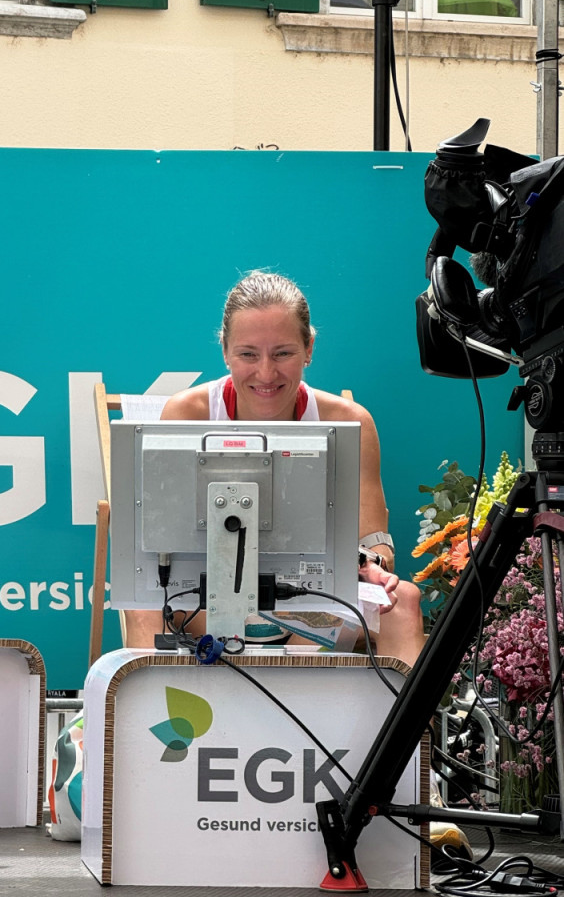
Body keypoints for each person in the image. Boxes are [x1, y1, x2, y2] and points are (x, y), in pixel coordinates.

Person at [123, 270, 427, 668]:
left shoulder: (350, 421)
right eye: (248, 354)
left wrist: (371, 564)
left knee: (402, 601)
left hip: (313, 602)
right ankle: (150, 711)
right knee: (142, 604)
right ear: (225, 351)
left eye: (282, 353)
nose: (266, 373)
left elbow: (375, 540)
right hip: (207, 604)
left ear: (309, 348)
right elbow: (162, 540)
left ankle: (390, 716)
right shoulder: (187, 412)